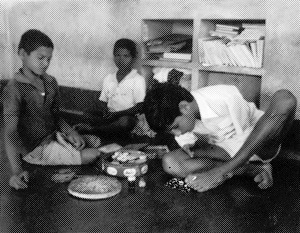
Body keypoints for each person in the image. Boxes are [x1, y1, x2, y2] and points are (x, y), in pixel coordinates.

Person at [143, 83, 297, 192]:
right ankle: (252, 170)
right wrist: (188, 144)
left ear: (184, 107)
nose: (176, 134)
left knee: (285, 98)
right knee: (170, 162)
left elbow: (243, 133)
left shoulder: (224, 97)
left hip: (257, 141)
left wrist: (216, 173)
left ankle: (224, 172)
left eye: (175, 127)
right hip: (226, 149)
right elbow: (201, 141)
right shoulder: (186, 112)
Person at [3, 29, 102, 190]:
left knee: (94, 141)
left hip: (54, 136)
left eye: (49, 59)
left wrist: (71, 133)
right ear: (22, 54)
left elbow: (55, 115)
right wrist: (16, 171)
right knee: (94, 154)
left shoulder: (50, 81)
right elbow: (10, 133)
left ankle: (66, 148)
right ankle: (57, 155)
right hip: (36, 149)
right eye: (40, 58)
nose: (46, 63)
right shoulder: (14, 89)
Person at [75, 38, 146, 136]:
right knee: (87, 113)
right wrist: (104, 111)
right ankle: (105, 129)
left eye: (126, 56)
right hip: (110, 116)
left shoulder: (137, 79)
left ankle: (94, 130)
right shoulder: (109, 78)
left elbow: (139, 107)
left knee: (125, 122)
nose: (121, 60)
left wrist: (117, 114)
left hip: (127, 117)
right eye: (117, 55)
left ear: (133, 58)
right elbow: (103, 101)